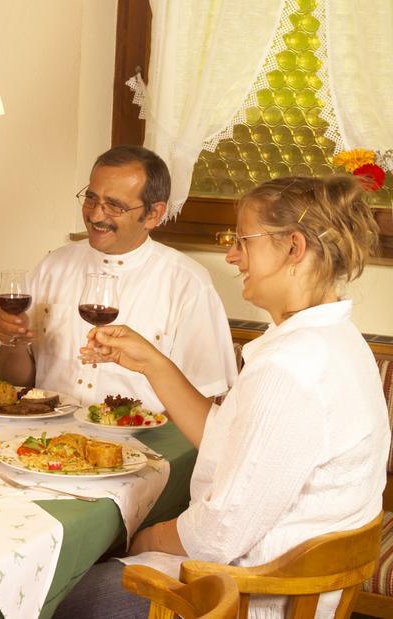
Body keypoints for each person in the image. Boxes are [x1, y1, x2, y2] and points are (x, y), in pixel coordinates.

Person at [54, 175, 389, 619]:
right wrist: (152, 361)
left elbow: (217, 534)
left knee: (59, 590)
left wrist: (142, 539)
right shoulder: (334, 340)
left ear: (293, 248)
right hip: (284, 585)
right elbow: (227, 445)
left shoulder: (289, 369)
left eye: (243, 241)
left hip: (248, 599)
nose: (231, 255)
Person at [0, 145, 236, 412]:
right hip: (44, 439)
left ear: (153, 214)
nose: (96, 215)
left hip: (141, 445)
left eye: (114, 206)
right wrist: (10, 340)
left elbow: (198, 406)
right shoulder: (52, 266)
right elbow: (16, 382)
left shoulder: (188, 284)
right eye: (91, 198)